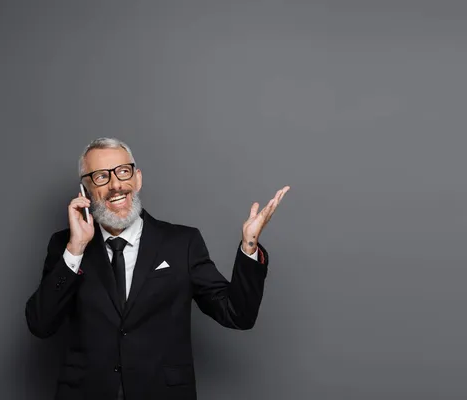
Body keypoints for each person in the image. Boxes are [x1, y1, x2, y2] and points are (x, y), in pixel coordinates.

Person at [25, 137, 289, 400]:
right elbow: (41, 324)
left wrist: (249, 244)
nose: (116, 184)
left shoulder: (182, 243)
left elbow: (237, 314)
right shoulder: (65, 244)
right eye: (101, 177)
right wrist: (75, 250)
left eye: (123, 172)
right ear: (85, 190)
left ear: (137, 178)